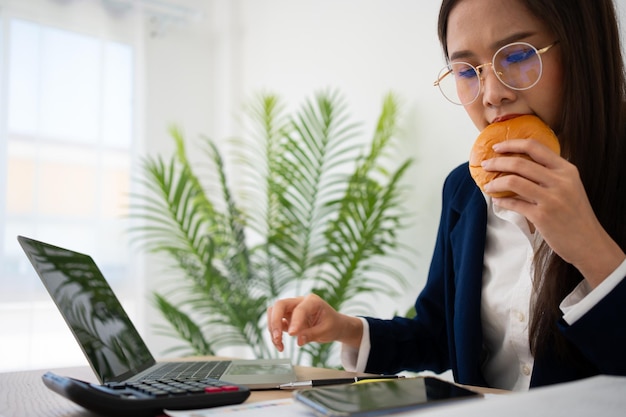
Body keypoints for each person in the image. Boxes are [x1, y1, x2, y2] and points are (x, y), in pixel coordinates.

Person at [267, 0, 626, 391]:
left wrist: (591, 250)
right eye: (467, 70)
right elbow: (440, 335)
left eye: (518, 54)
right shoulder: (464, 190)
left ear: (583, 48)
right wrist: (347, 328)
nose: (491, 94)